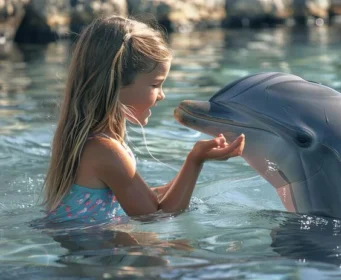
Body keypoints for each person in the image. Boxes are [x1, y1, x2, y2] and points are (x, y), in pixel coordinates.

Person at [41, 15, 245, 224]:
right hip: (96, 252)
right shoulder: (104, 150)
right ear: (115, 84)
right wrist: (195, 160)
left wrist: (192, 165)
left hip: (90, 248)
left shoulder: (95, 141)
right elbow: (156, 216)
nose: (162, 95)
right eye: (155, 85)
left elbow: (138, 199)